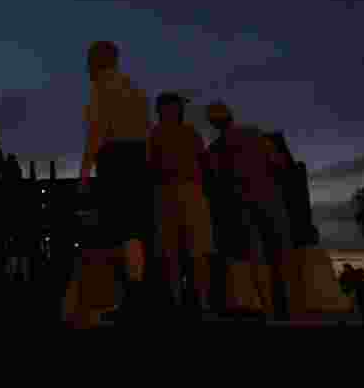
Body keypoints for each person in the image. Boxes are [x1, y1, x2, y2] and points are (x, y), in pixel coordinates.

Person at [78, 41, 152, 318]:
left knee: (120, 232)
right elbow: (147, 130)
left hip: (115, 159)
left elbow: (96, 133)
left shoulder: (101, 88)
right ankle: (138, 295)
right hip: (139, 160)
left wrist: (85, 173)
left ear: (97, 61)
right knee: (134, 232)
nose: (86, 66)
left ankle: (129, 299)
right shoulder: (135, 89)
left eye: (89, 60)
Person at [203, 101, 296, 319]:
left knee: (258, 256)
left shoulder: (215, 149)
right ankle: (290, 307)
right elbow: (279, 162)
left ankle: (270, 310)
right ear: (231, 116)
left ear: (212, 123)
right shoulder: (253, 134)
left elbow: (215, 182)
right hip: (268, 196)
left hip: (243, 203)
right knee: (282, 253)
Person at [149, 92, 214, 316]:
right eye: (169, 107)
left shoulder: (188, 133)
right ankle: (181, 302)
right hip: (168, 192)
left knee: (196, 250)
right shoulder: (155, 134)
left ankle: (202, 302)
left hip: (188, 191)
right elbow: (150, 166)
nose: (173, 111)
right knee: (172, 252)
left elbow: (204, 163)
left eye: (175, 107)